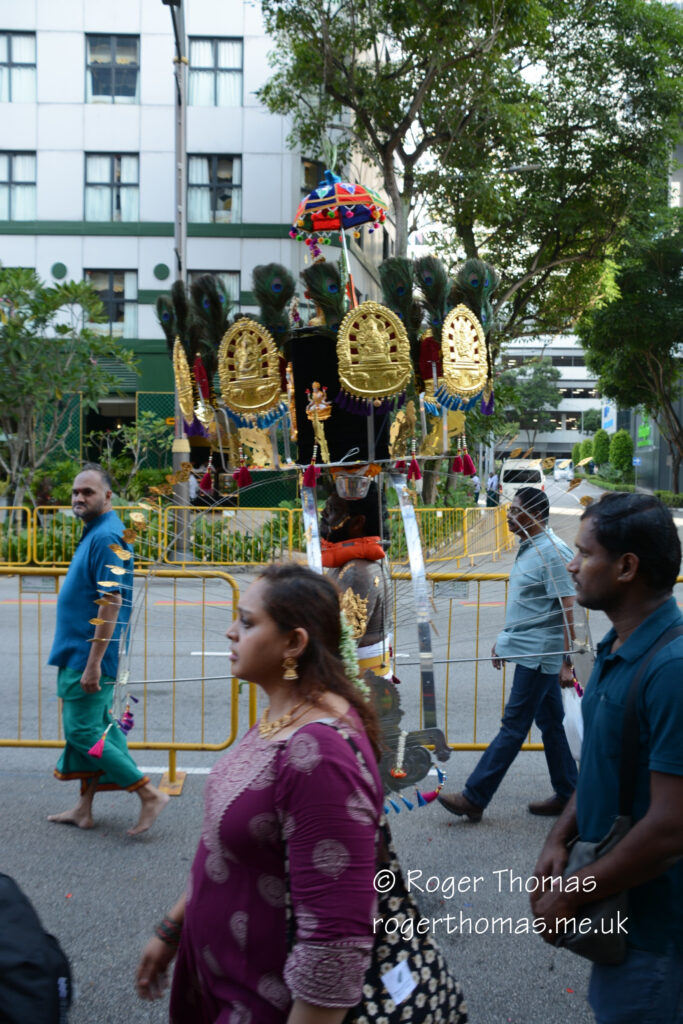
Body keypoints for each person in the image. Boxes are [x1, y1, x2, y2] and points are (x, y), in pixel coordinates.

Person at [135, 564, 386, 1021]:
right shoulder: (286, 713)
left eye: (248, 623)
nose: (231, 633)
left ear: (294, 643)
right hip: (221, 979)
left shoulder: (320, 755)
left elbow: (334, 949)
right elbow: (238, 850)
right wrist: (174, 928)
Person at [531, 493, 683, 1024]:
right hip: (620, 922)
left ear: (626, 567)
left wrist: (571, 893)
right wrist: (560, 836)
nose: (571, 564)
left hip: (656, 938)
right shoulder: (620, 648)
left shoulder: (672, 669)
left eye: (583, 552)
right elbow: (603, 764)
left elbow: (671, 826)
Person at [439, 487, 578, 822]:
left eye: (515, 511)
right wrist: (504, 641)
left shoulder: (553, 552)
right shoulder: (529, 548)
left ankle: (475, 796)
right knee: (551, 724)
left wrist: (568, 661)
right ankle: (570, 795)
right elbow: (527, 608)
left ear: (535, 515)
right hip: (528, 652)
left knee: (513, 727)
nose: (508, 516)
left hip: (540, 658)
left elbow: (569, 608)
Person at [47, 464, 168, 836]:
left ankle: (147, 792)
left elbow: (110, 600)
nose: (79, 498)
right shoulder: (97, 532)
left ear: (108, 497)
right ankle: (84, 809)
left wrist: (94, 664)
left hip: (88, 656)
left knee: (83, 733)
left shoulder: (107, 537)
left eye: (88, 492)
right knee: (95, 732)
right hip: (78, 652)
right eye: (76, 492)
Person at [319, 480, 392, 676]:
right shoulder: (356, 561)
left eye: (332, 509)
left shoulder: (356, 572)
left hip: (357, 688)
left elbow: (340, 649)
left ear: (357, 523)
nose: (323, 514)